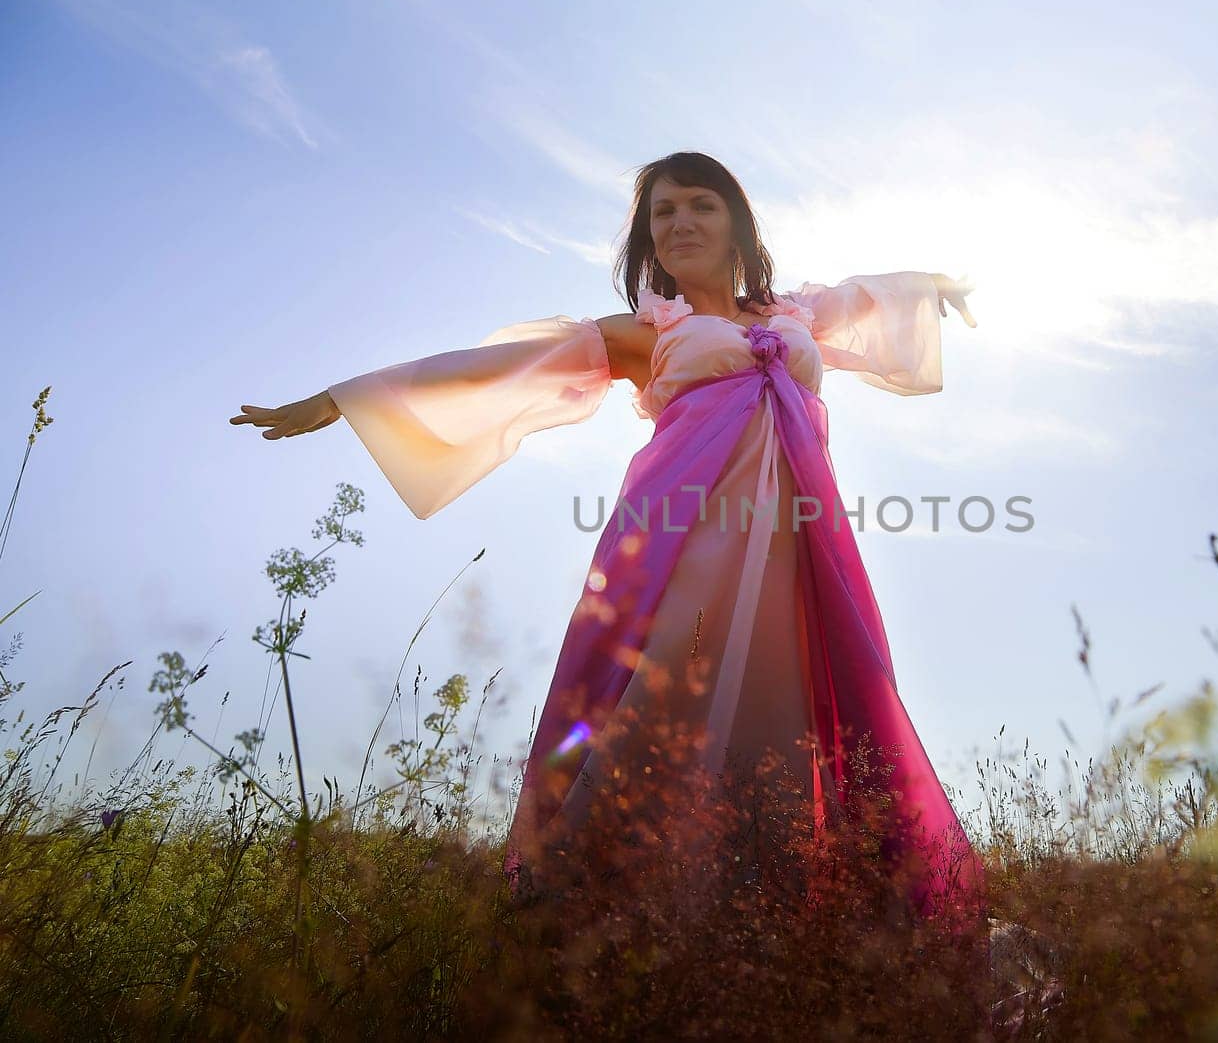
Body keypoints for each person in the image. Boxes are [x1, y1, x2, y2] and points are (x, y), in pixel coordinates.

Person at [230, 151, 985, 937]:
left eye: (701, 204)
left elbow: (871, 298)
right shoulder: (647, 331)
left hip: (798, 557)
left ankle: (786, 916)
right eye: (663, 212)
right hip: (683, 548)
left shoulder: (795, 315)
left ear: (737, 226)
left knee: (792, 704)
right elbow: (500, 367)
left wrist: (933, 287)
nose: (681, 221)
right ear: (649, 240)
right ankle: (609, 913)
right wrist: (347, 397)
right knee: (669, 695)